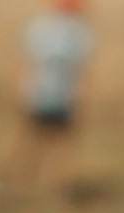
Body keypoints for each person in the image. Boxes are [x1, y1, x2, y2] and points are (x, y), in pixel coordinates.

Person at [24, 0, 95, 144]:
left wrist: (81, 98)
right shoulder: (42, 26)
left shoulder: (80, 31)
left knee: (60, 142)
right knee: (34, 139)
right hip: (39, 96)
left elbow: (83, 69)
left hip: (65, 99)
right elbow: (28, 62)